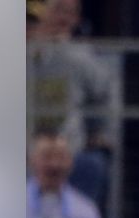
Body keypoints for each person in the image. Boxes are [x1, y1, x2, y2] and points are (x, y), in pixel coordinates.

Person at [26, 0, 115, 206]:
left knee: (93, 165)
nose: (64, 18)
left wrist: (102, 134)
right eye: (58, 10)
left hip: (70, 150)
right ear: (41, 12)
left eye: (71, 13)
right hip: (23, 150)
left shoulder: (82, 56)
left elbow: (106, 94)